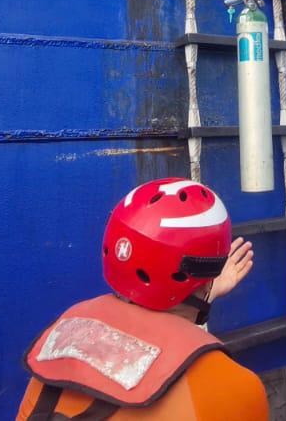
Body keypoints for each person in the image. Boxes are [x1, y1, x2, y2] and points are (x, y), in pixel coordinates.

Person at [17, 178, 266, 420]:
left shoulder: (59, 348)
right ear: (208, 274)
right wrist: (203, 291)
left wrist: (203, 290)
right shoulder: (231, 384)